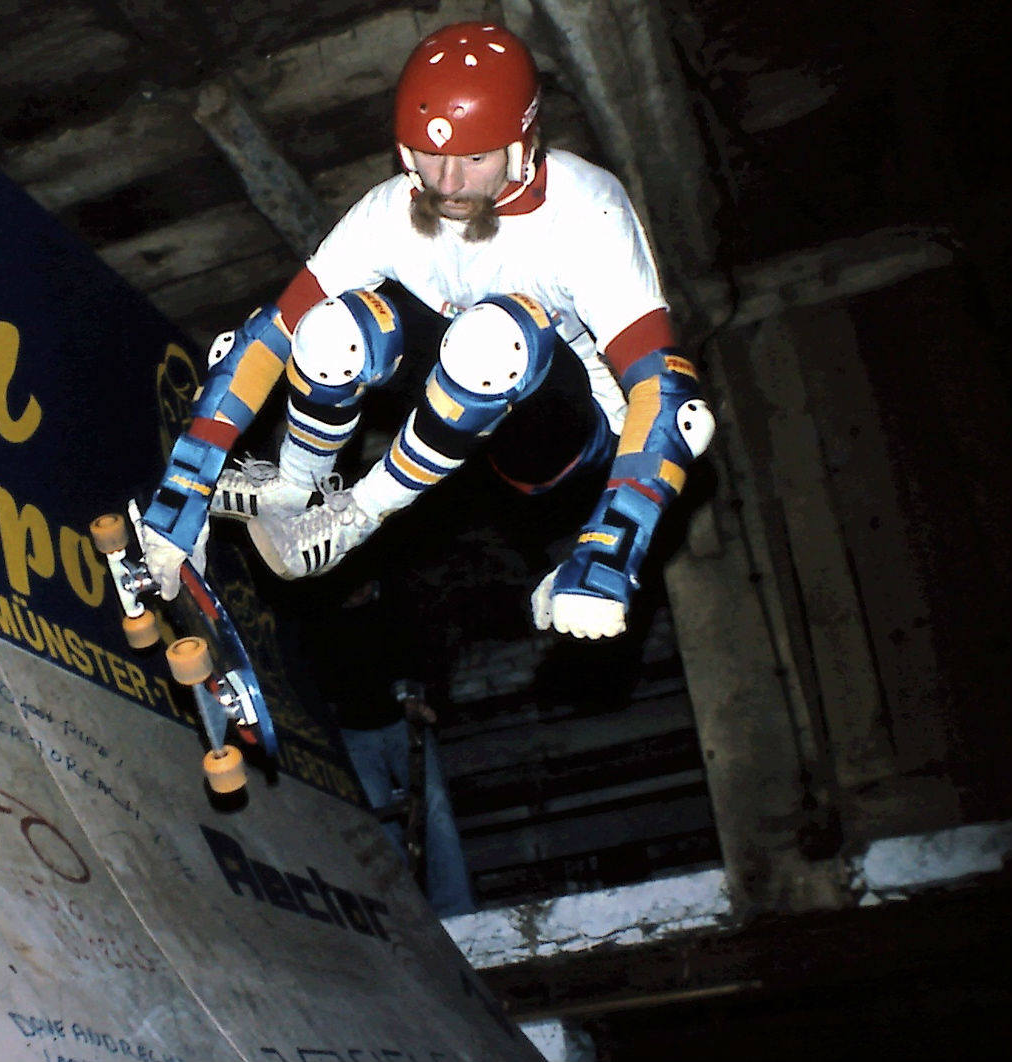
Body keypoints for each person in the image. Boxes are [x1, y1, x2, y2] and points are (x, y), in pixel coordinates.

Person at [135, 21, 714, 641]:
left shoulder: (584, 210)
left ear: (522, 147)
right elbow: (272, 335)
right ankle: (294, 488)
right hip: (455, 383)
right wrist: (185, 484)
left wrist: (608, 553)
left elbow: (670, 398)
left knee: (494, 334)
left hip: (565, 436)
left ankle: (357, 516)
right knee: (329, 331)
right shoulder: (391, 210)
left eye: (474, 158)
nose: (450, 184)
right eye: (432, 157)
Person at [298, 572, 475, 918]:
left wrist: (416, 699)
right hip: (355, 731)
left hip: (403, 725)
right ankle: (403, 913)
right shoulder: (320, 621)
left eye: (363, 583)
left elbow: (421, 657)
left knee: (434, 804)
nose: (358, 591)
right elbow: (324, 682)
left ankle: (455, 906)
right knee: (376, 819)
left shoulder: (398, 603)